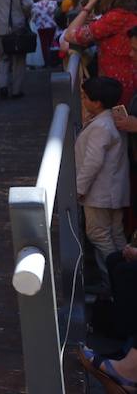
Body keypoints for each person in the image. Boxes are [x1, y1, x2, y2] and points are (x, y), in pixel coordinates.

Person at [76, 76, 129, 295]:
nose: (82, 99)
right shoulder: (113, 121)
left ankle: (114, 283)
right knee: (116, 235)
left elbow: (92, 162)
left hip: (99, 193)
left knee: (99, 235)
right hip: (115, 192)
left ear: (97, 103)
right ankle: (124, 280)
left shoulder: (101, 126)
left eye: (85, 97)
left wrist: (79, 188)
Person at [64, 0, 137, 106]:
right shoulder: (128, 13)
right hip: (128, 82)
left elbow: (70, 35)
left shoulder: (116, 17)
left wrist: (89, 5)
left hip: (117, 88)